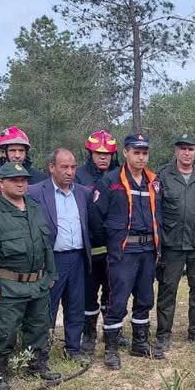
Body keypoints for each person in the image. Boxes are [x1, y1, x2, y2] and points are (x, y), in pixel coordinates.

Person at [0, 162, 60, 390]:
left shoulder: (34, 208)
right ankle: (1, 375)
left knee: (39, 327)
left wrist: (51, 274)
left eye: (23, 179)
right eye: (14, 180)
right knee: (3, 331)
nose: (20, 183)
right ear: (1, 183)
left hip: (37, 283)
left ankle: (38, 365)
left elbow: (46, 247)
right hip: (8, 284)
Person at [91, 134, 161, 369]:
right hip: (123, 251)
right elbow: (96, 218)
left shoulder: (153, 181)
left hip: (148, 248)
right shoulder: (111, 181)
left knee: (145, 298)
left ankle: (140, 344)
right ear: (125, 152)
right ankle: (111, 349)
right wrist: (113, 243)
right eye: (136, 152)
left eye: (144, 153)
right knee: (117, 300)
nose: (141, 157)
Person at [28, 149, 93, 361]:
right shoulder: (35, 192)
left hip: (78, 258)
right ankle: (41, 352)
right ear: (51, 167)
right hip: (52, 259)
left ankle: (73, 349)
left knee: (76, 305)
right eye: (64, 167)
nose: (70, 172)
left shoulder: (83, 193)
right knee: (48, 307)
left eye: (73, 167)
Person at [154, 134, 195, 356]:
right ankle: (163, 334)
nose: (187, 153)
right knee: (168, 289)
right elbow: (156, 209)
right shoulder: (162, 175)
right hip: (172, 242)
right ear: (176, 151)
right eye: (183, 149)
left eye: (191, 149)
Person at [75, 129, 123, 352]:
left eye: (108, 154)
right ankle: (89, 333)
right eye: (98, 153)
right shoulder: (79, 176)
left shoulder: (120, 176)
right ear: (90, 153)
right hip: (89, 245)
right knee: (89, 292)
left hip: (115, 245)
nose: (103, 157)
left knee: (113, 291)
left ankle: (112, 331)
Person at [0, 126, 48, 208]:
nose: (17, 155)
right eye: (13, 150)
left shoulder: (41, 178)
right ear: (3, 152)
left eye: (21, 150)